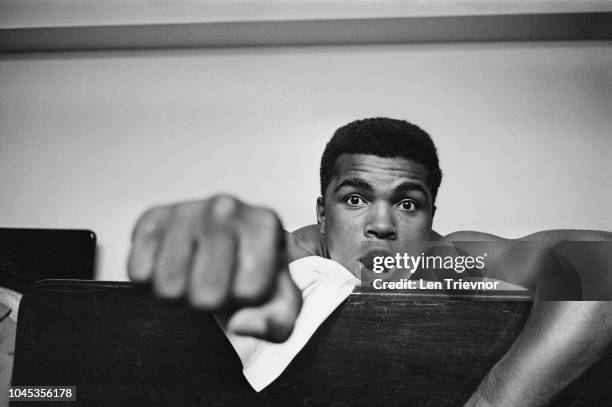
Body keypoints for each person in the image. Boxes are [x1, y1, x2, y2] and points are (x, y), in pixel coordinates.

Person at [127, 117, 612, 406]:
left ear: (430, 216)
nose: (382, 224)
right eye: (355, 199)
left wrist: (492, 401)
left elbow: (601, 260)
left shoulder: (452, 257)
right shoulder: (293, 251)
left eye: (407, 203)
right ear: (322, 212)